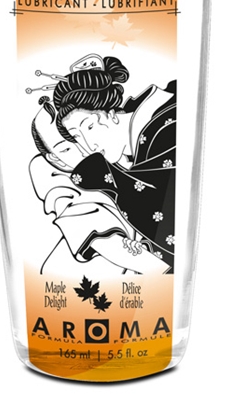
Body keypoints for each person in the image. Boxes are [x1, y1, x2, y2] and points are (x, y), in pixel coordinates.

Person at [52, 56, 176, 271]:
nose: (88, 145)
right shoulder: (131, 151)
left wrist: (100, 175)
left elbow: (167, 215)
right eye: (77, 136)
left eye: (89, 127)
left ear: (112, 114)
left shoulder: (167, 126)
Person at [30, 97, 170, 275]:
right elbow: (97, 235)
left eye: (86, 131)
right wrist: (163, 270)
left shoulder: (124, 153)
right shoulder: (61, 184)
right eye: (66, 148)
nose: (85, 148)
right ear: (55, 159)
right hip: (82, 280)